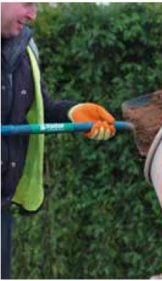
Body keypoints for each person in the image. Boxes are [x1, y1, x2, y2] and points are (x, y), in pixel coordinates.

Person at [1, 3, 116, 278]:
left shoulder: (24, 50)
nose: (33, 14)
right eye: (27, 3)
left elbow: (40, 108)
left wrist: (73, 113)